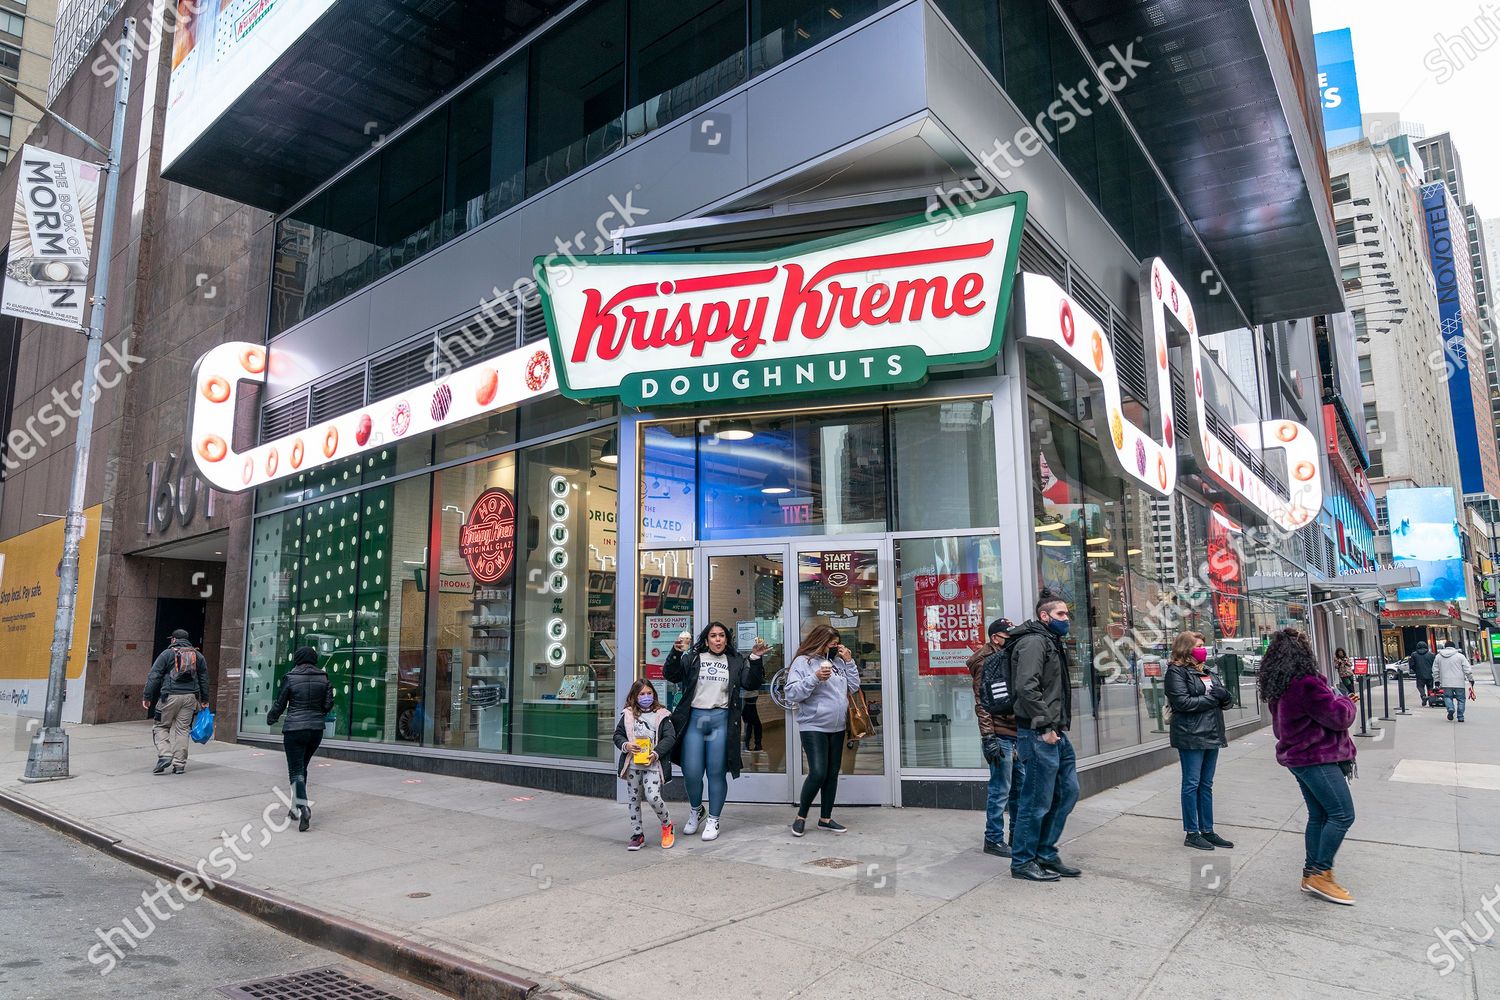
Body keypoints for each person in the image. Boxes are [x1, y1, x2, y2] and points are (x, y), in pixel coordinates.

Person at [1259, 628, 1357, 905]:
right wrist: (1346, 701)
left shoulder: (1281, 685)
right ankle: (1320, 873)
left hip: (1300, 758)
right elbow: (1339, 717)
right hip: (1317, 757)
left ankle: (1310, 873)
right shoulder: (1307, 683)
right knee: (1342, 815)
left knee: (1320, 815)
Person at [664, 623, 769, 841]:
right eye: (713, 636)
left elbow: (750, 682)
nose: (718, 639)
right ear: (706, 640)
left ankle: (714, 818)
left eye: (722, 635)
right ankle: (696, 810)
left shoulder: (736, 661)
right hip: (694, 719)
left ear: (727, 640)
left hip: (721, 720)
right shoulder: (693, 658)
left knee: (715, 773)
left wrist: (756, 659)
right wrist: (676, 652)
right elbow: (671, 675)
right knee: (691, 772)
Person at [1008, 588, 1082, 882]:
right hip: (1039, 732)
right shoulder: (1034, 642)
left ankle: (1045, 853)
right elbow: (1027, 687)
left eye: (1067, 614)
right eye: (1061, 614)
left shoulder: (1051, 641)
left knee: (1067, 791)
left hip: (1055, 730)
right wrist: (1044, 726)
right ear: (1044, 616)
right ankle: (1023, 861)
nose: (1067, 619)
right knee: (1036, 800)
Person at [784, 626, 859, 836]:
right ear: (820, 642)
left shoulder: (837, 663)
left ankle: (825, 818)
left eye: (837, 644)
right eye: (832, 644)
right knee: (818, 772)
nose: (835, 648)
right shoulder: (803, 662)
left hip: (838, 726)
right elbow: (791, 693)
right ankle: (801, 816)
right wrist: (815, 677)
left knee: (832, 773)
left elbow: (853, 687)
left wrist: (849, 662)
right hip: (813, 725)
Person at [1166, 631, 1234, 851]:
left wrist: (1223, 696)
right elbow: (1182, 703)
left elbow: (1226, 700)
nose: (1202, 649)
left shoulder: (1208, 671)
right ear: (1186, 648)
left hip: (1212, 734)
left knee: (1206, 785)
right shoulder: (1176, 672)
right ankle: (1192, 832)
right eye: (1198, 645)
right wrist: (1213, 698)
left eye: (1203, 645)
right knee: (1191, 783)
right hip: (1191, 735)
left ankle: (1208, 830)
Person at [966, 617, 1022, 858]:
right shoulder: (986, 661)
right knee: (1000, 790)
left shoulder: (1005, 656)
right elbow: (983, 702)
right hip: (1000, 735)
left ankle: (1017, 837)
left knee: (1019, 789)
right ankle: (993, 839)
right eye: (1008, 636)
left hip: (1015, 733)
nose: (1012, 640)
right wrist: (988, 736)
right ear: (996, 637)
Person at [267, 646, 333, 832]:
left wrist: (271, 718)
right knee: (302, 768)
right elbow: (328, 704)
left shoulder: (291, 677)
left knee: (296, 771)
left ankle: (304, 808)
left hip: (295, 729)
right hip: (316, 730)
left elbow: (280, 703)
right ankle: (295, 808)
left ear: (297, 658)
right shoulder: (324, 677)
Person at [614, 679, 677, 850]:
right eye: (642, 694)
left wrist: (656, 753)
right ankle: (637, 834)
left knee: (653, 797)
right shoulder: (627, 714)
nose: (646, 696)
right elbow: (618, 735)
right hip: (633, 766)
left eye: (649, 693)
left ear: (654, 695)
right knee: (634, 800)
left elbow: (670, 737)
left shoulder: (662, 715)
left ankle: (667, 825)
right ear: (634, 696)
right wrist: (626, 745)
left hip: (653, 766)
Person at [142, 629, 210, 775]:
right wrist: (205, 699)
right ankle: (179, 764)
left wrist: (147, 697)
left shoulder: (167, 654)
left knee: (161, 726)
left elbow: (154, 676)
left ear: (173, 640)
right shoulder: (197, 656)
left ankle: (165, 754)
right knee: (182, 730)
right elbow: (204, 678)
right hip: (190, 698)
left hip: (169, 697)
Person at [1433, 641, 1476, 722]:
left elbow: (1435, 670)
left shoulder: (1438, 657)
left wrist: (1437, 681)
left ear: (1445, 647)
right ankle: (1460, 717)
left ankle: (1450, 709)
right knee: (1461, 699)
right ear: (1454, 647)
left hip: (1446, 682)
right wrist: (1471, 679)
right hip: (1459, 682)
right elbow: (1467, 669)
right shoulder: (1460, 656)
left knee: (1447, 697)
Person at [742, 677, 764, 753]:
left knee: (749, 725)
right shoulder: (755, 676)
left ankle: (747, 745)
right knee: (756, 725)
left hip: (748, 704)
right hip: (753, 704)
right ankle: (757, 744)